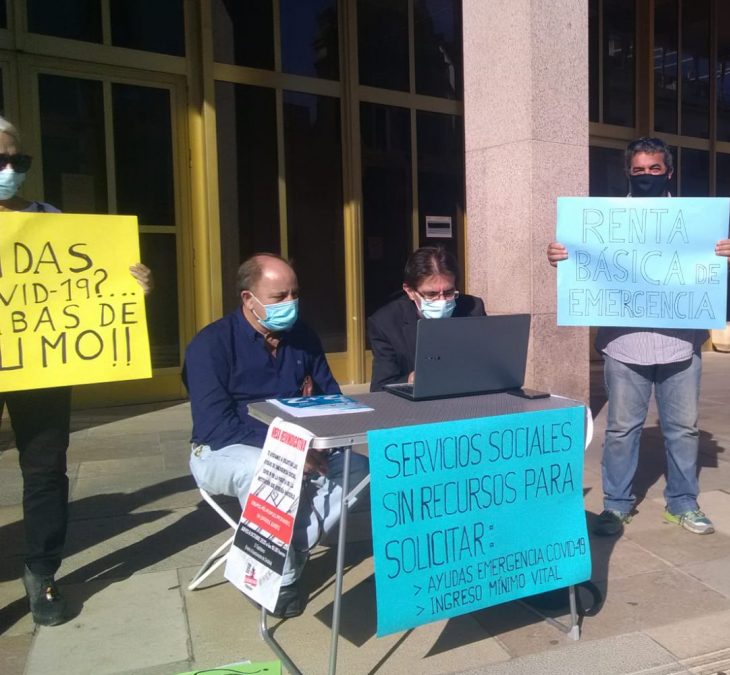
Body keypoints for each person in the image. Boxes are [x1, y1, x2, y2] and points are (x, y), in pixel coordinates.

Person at [546, 137, 730, 536]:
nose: (647, 175)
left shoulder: (695, 221)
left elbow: (707, 275)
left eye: (655, 169)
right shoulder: (603, 220)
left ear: (669, 172)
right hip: (624, 343)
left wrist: (728, 260)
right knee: (620, 429)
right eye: (639, 170)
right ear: (628, 173)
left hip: (680, 342)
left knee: (684, 427)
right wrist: (563, 260)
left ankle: (683, 501)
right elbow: (587, 271)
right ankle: (616, 505)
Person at [0, 115, 151, 626]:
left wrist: (131, 283)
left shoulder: (49, 220)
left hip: (39, 361)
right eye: (0, 160)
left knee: (44, 470)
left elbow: (84, 283)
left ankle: (42, 571)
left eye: (17, 161)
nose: (9, 170)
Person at [182, 253, 368, 619]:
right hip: (224, 449)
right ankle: (278, 578)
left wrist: (320, 440)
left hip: (302, 444)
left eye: (295, 294)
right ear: (248, 300)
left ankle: (280, 547)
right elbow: (214, 424)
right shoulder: (210, 345)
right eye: (279, 296)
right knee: (263, 470)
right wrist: (288, 451)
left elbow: (332, 399)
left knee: (362, 470)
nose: (291, 304)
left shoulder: (304, 338)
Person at [367, 246, 486, 393]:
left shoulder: (473, 308)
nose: (442, 300)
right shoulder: (386, 322)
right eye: (431, 294)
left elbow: (488, 362)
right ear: (410, 291)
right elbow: (380, 387)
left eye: (449, 292)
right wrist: (411, 379)